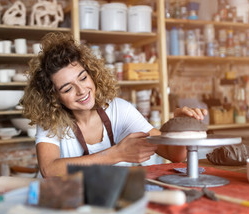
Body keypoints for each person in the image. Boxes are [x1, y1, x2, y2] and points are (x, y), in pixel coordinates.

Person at [21, 32, 207, 178]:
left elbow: (173, 154)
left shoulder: (120, 110)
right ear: (54, 97)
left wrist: (179, 130)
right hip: (62, 202)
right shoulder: (50, 121)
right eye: (67, 88)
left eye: (83, 78)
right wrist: (117, 154)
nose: (81, 90)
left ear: (92, 74)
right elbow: (49, 169)